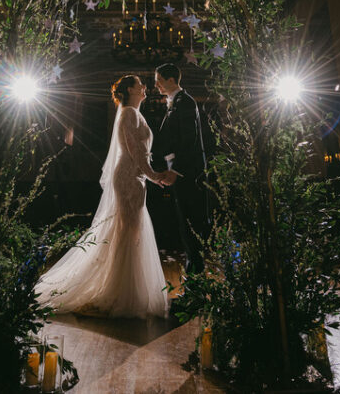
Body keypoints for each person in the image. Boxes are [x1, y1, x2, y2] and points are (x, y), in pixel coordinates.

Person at [34, 75, 175, 318]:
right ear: (130, 89)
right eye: (140, 83)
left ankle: (122, 288)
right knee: (128, 230)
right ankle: (122, 294)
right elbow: (135, 152)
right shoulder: (129, 113)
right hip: (129, 178)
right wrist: (155, 176)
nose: (145, 87)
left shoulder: (133, 113)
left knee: (130, 231)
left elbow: (140, 153)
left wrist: (149, 176)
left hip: (136, 178)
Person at [152, 63, 209, 275]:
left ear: (171, 80)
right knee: (185, 224)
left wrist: (175, 170)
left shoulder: (185, 102)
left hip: (189, 174)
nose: (156, 84)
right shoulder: (175, 102)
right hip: (180, 172)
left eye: (158, 79)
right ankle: (193, 273)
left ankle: (196, 274)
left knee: (191, 223)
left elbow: (189, 139)